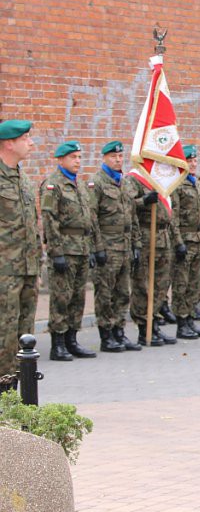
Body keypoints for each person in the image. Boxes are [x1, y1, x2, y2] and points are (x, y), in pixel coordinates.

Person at [41, 141, 104, 361]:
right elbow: (50, 219)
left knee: (78, 297)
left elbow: (91, 219)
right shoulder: (53, 185)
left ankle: (72, 339)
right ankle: (57, 344)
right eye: (73, 157)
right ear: (60, 160)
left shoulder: (80, 185)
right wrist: (56, 252)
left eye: (79, 157)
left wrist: (96, 249)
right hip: (65, 249)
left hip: (82, 248)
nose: (77, 161)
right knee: (61, 297)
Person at [87, 140, 141, 352]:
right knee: (105, 293)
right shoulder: (97, 183)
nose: (118, 160)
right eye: (113, 157)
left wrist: (136, 243)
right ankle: (106, 335)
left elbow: (132, 214)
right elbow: (92, 218)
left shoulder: (125, 182)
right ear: (104, 158)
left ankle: (120, 331)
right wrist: (97, 248)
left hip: (125, 246)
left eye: (120, 156)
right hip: (107, 247)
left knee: (122, 292)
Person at [0, 120, 43, 379]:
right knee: (3, 332)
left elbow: (32, 227)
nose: (31, 143)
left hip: (27, 269)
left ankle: (19, 386)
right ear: (8, 142)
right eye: (26, 138)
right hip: (4, 270)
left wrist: (37, 266)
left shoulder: (24, 179)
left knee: (24, 333)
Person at [126, 164, 180, 347]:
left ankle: (155, 322)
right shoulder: (135, 178)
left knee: (161, 284)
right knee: (143, 285)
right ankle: (144, 327)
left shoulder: (159, 179)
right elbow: (127, 204)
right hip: (146, 235)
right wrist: (145, 201)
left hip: (163, 236)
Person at [169, 145, 200, 340]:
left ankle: (191, 318)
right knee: (182, 283)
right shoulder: (176, 185)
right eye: (190, 160)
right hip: (185, 239)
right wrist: (178, 242)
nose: (193, 164)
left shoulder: (198, 183)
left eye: (195, 160)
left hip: (199, 238)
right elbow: (173, 217)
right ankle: (181, 321)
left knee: (195, 282)